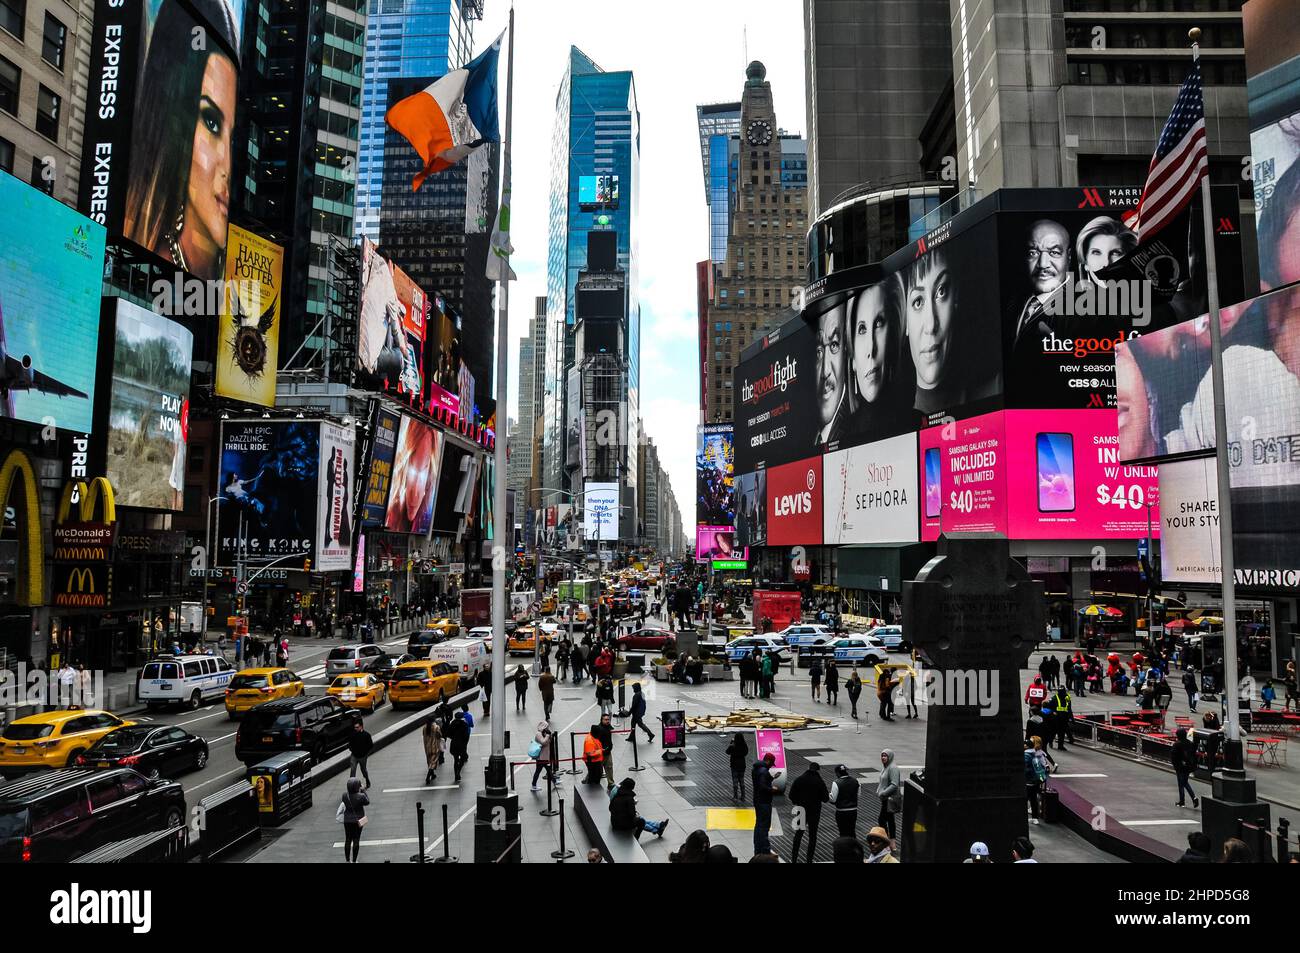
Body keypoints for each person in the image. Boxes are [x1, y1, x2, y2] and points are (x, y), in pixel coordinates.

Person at [123, 0, 240, 281]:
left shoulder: (235, 289)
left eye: (234, 138)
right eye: (211, 122)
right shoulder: (144, 266)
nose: (228, 163)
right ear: (177, 125)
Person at [789, 761, 829, 863]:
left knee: (798, 834)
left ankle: (794, 858)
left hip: (802, 810)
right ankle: (809, 860)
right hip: (815, 811)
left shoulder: (800, 779)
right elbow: (825, 798)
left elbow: (791, 795)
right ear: (818, 770)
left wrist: (797, 801)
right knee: (812, 836)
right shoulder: (819, 781)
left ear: (808, 767)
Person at [751, 752, 779, 856]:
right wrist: (772, 789)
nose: (771, 766)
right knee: (764, 826)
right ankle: (765, 849)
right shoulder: (763, 771)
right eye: (771, 763)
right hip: (764, 802)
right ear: (768, 761)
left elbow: (760, 782)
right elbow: (763, 786)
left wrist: (772, 777)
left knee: (758, 825)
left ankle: (757, 848)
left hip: (757, 800)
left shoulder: (757, 768)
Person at [338, 777, 369, 863]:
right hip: (358, 820)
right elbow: (367, 802)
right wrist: (363, 790)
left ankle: (347, 860)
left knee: (348, 839)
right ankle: (354, 860)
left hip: (347, 820)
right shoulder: (361, 796)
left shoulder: (345, 795)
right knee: (356, 839)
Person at [1172, 727, 1200, 809]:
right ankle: (1187, 800)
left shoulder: (1177, 744)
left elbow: (1174, 757)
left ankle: (1184, 800)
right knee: (1184, 782)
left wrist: (1176, 766)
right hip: (1188, 767)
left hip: (1180, 767)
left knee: (1182, 784)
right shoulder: (1190, 743)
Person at [828, 763, 858, 839]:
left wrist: (827, 795)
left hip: (841, 811)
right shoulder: (855, 781)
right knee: (852, 831)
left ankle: (845, 848)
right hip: (853, 810)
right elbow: (858, 795)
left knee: (843, 832)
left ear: (837, 773)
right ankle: (853, 847)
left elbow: (833, 799)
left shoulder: (836, 783)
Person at [876, 748, 900, 838]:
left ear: (890, 757)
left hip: (889, 799)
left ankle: (885, 839)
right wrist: (879, 790)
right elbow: (883, 781)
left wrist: (883, 793)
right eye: (882, 755)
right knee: (890, 819)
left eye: (885, 755)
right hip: (885, 798)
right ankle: (891, 841)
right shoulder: (886, 767)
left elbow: (894, 785)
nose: (883, 757)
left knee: (881, 820)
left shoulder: (893, 768)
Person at [1024, 737, 1049, 825]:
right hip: (1037, 780)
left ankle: (1022, 818)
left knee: (1024, 799)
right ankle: (1035, 818)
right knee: (1034, 799)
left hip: (1028, 781)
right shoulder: (1037, 754)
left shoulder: (1026, 755)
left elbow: (1025, 768)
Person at [531, 720, 555, 792]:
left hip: (544, 756)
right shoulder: (538, 734)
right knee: (545, 770)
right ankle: (534, 785)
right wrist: (547, 736)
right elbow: (543, 742)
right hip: (541, 757)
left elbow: (548, 742)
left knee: (545, 770)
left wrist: (549, 736)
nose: (547, 728)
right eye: (546, 727)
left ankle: (534, 785)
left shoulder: (543, 733)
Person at [446, 710, 470, 782]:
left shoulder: (452, 724)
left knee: (456, 759)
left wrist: (453, 737)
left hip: (454, 744)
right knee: (462, 759)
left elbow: (448, 734)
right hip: (462, 744)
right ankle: (458, 772)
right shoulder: (464, 724)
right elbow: (466, 735)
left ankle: (456, 774)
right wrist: (465, 743)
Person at [593, 713, 615, 789]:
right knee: (597, 770)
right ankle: (588, 782)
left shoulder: (608, 727)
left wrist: (610, 747)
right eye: (605, 720)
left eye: (608, 719)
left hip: (608, 752)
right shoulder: (599, 729)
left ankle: (611, 783)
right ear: (601, 720)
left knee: (609, 767)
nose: (607, 721)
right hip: (600, 753)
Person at [348, 722, 373, 788]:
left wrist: (366, 754)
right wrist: (351, 750)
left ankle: (367, 780)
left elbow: (370, 745)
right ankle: (351, 786)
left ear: (361, 727)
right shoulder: (353, 734)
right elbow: (349, 744)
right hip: (354, 756)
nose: (355, 729)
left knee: (363, 770)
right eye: (355, 727)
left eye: (357, 727)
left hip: (363, 756)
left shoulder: (367, 735)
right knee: (353, 770)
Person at [726, 731, 748, 801]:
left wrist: (731, 743)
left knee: (735, 781)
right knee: (742, 780)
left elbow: (727, 752)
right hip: (742, 765)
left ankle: (735, 796)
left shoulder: (733, 745)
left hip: (734, 765)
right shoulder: (744, 745)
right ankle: (743, 796)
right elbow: (746, 753)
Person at [422, 717, 443, 785]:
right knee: (433, 762)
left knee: (430, 761)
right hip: (435, 747)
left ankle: (433, 774)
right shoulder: (436, 727)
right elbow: (439, 735)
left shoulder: (425, 727)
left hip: (427, 747)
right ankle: (428, 777)